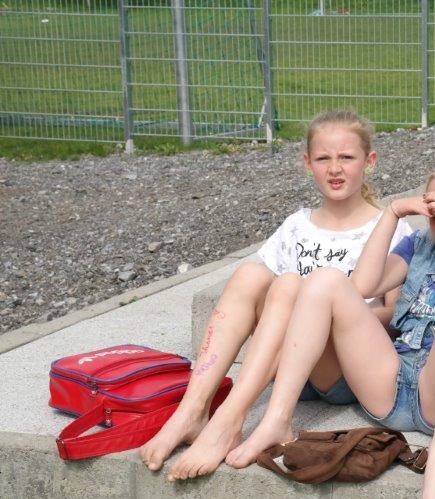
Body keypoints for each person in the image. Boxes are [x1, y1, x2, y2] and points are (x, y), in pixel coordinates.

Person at [223, 153, 435, 499]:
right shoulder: (421, 244)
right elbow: (363, 286)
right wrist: (392, 213)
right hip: (391, 383)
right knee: (327, 280)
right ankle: (277, 418)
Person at [138, 110, 412, 479]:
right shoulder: (296, 225)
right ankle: (192, 410)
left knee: (295, 288)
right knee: (253, 275)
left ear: (369, 161)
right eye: (323, 158)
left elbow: (396, 315)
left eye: (347, 157)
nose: (335, 168)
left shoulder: (390, 230)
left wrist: (331, 316)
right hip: (287, 367)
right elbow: (264, 298)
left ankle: (228, 421)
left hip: (341, 367)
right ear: (308, 164)